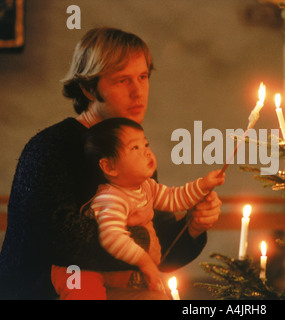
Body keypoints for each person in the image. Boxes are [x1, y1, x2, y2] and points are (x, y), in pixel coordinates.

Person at [0, 27, 223, 300]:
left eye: (143, 77)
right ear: (88, 88)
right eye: (122, 80)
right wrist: (142, 241)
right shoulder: (50, 147)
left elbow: (160, 254)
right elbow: (61, 242)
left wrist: (193, 227)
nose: (138, 92)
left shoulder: (133, 148)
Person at [51, 118, 225, 299]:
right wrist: (145, 262)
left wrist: (203, 186)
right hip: (78, 269)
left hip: (114, 269)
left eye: (146, 145)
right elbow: (113, 237)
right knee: (87, 295)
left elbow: (174, 198)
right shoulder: (110, 198)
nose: (147, 153)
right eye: (135, 148)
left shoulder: (147, 187)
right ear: (109, 166)